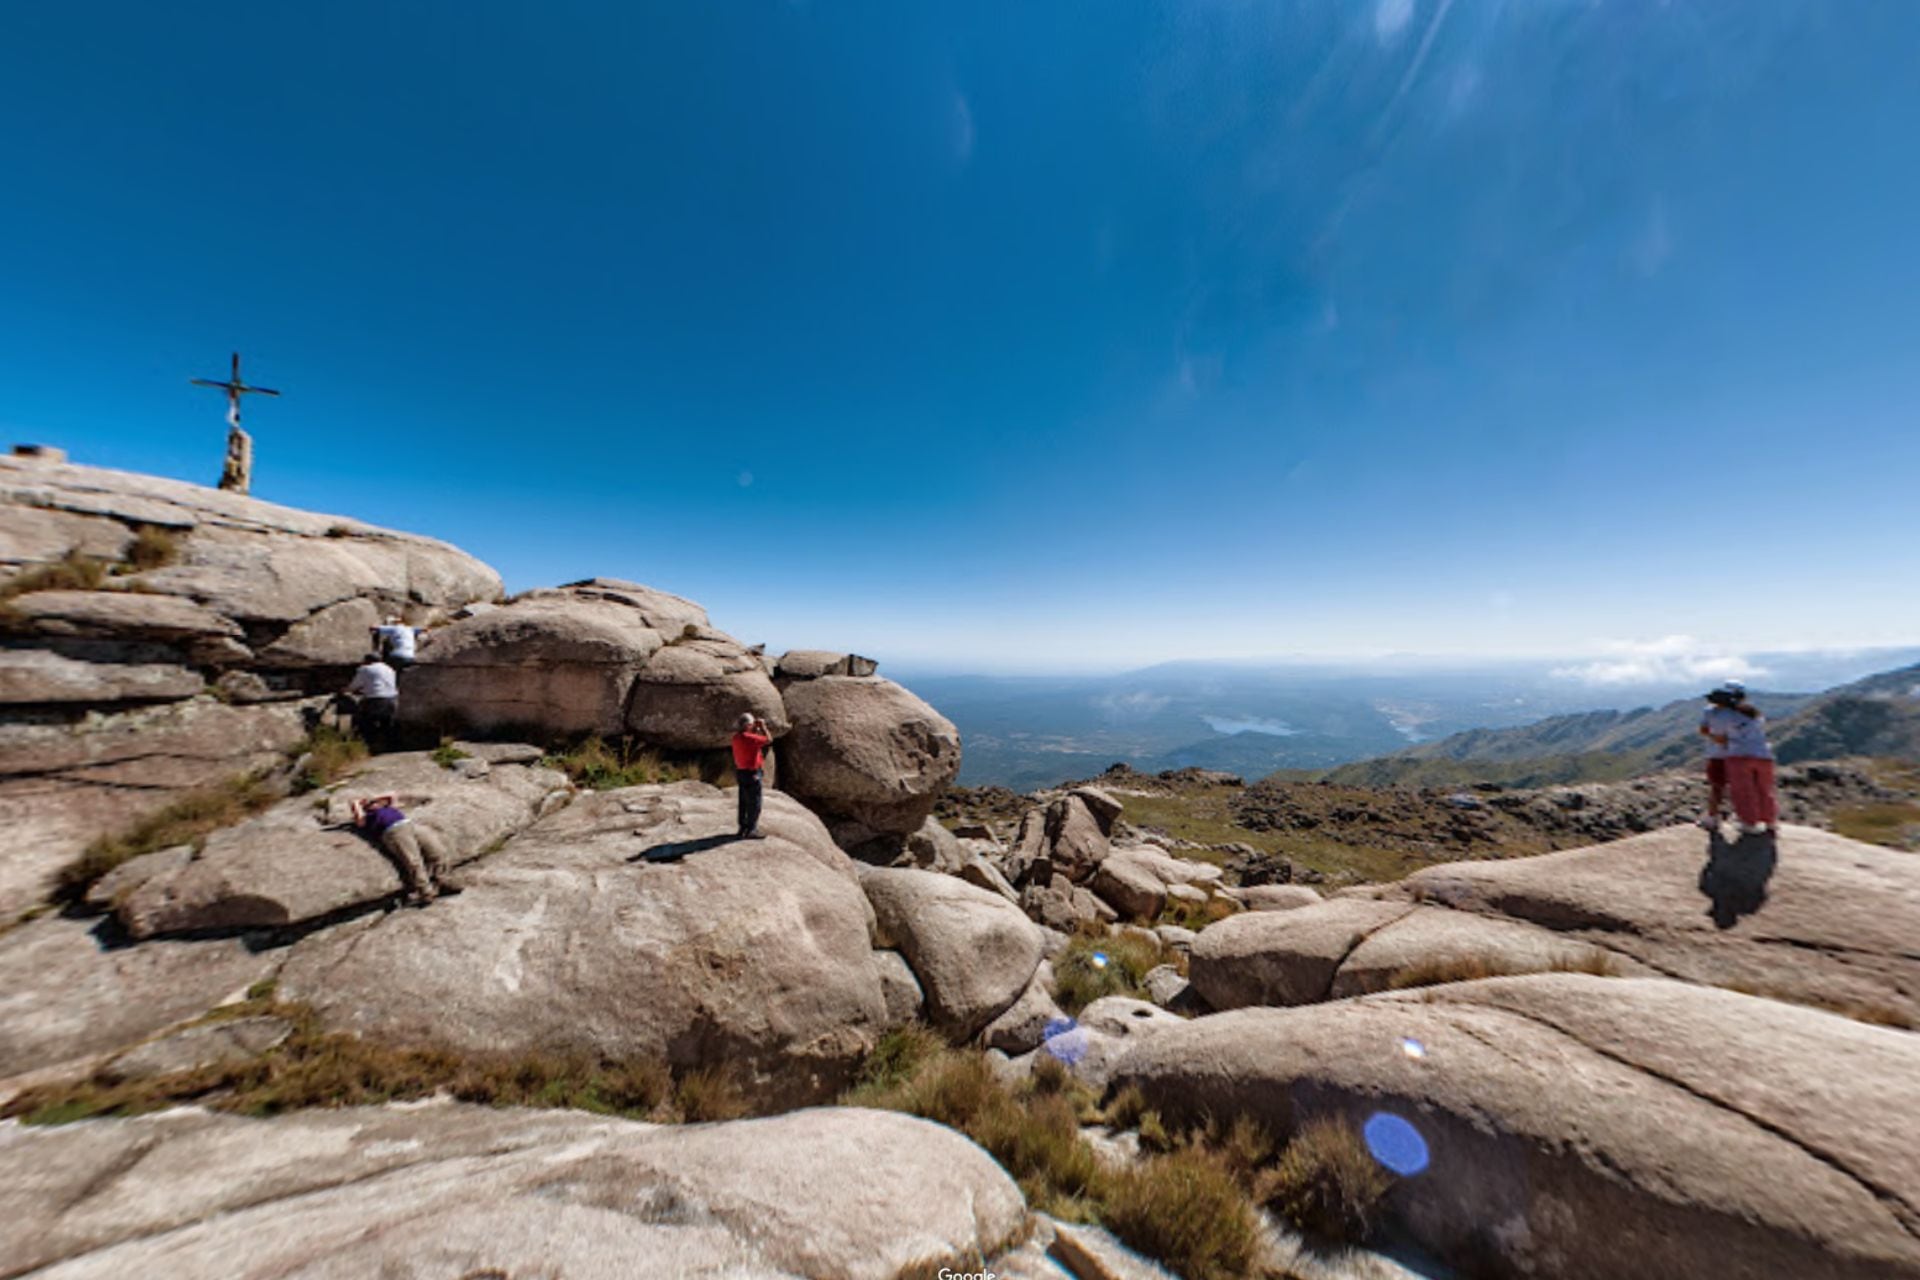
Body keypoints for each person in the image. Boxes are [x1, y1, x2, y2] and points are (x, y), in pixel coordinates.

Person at [1700, 681, 1778, 835]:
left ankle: (1748, 823)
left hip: (1738, 755)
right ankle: (1770, 821)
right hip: (1764, 755)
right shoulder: (1752, 713)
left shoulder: (1720, 715)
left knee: (1741, 790)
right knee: (1764, 789)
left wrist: (1717, 737)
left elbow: (1716, 736)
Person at [349, 794, 452, 904]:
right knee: (413, 861)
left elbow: (392, 795)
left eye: (373, 802)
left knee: (438, 852)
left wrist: (374, 798)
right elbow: (360, 821)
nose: (373, 804)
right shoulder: (368, 817)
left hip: (410, 825)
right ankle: (425, 892)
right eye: (370, 804)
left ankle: (441, 882)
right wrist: (356, 804)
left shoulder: (387, 807)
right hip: (393, 831)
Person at [1695, 681, 1744, 828]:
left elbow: (1703, 730)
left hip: (1717, 754)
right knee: (1739, 786)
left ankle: (1713, 817)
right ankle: (1742, 816)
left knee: (1717, 787)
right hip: (1738, 754)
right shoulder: (1742, 712)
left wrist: (1715, 738)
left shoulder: (1709, 711)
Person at [344, 652, 399, 751]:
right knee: (387, 724)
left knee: (363, 722)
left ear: (368, 660)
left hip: (375, 700)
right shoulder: (389, 669)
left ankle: (367, 746)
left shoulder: (365, 669)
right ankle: (390, 747)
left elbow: (354, 685)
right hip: (391, 699)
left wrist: (344, 690)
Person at [730, 711, 772, 839]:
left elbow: (749, 738)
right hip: (752, 773)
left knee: (744, 801)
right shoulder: (751, 739)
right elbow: (768, 739)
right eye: (752, 724)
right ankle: (751, 829)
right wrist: (763, 727)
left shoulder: (736, 737)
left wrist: (754, 727)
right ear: (748, 725)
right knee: (755, 802)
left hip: (741, 772)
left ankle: (743, 828)